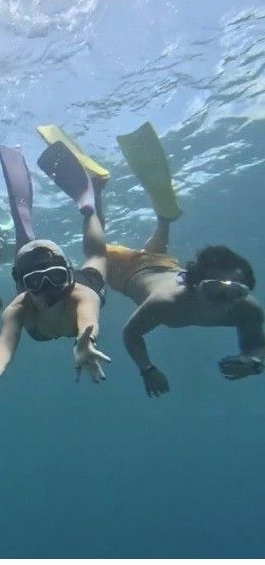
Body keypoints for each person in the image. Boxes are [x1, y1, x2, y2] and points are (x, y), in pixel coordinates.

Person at [106, 122, 265, 396]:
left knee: (154, 254)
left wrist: (253, 362)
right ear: (194, 284)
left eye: (236, 291)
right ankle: (94, 198)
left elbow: (256, 345)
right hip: (126, 271)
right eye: (216, 288)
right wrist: (148, 370)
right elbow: (130, 333)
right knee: (93, 251)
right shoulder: (166, 302)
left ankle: (164, 220)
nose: (224, 301)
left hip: (163, 263)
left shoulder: (247, 309)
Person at [0, 137, 112, 393]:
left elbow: (88, 321)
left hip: (79, 285)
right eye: (35, 282)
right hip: (34, 284)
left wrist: (86, 342)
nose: (47, 288)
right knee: (30, 254)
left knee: (97, 253)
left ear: (68, 275)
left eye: (54, 276)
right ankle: (31, 236)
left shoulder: (82, 295)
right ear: (23, 285)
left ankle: (90, 205)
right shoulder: (18, 308)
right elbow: (6, 342)